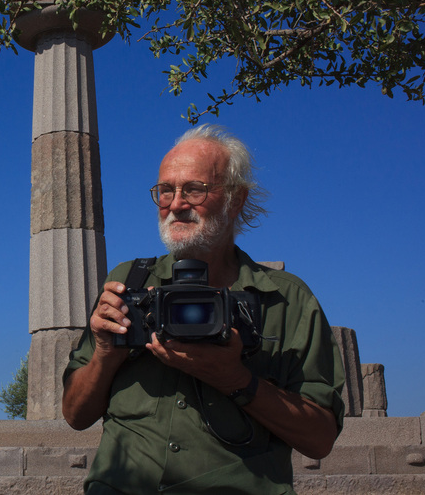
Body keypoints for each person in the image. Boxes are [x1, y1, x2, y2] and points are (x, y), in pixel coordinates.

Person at [63, 125, 345, 494]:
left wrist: (236, 380)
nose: (176, 204)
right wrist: (104, 351)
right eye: (166, 190)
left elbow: (319, 439)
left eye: (194, 189)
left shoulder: (286, 299)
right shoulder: (127, 283)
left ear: (236, 199)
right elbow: (75, 414)